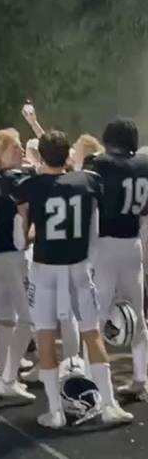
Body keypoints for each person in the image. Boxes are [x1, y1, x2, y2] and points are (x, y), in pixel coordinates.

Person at [14, 129, 133, 428]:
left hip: (45, 269)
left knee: (44, 334)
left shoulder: (31, 185)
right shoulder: (89, 181)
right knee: (91, 333)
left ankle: (54, 410)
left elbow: (21, 231)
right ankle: (109, 404)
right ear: (67, 154)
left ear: (40, 156)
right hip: (79, 268)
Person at [86, 118, 148, 400]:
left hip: (106, 243)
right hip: (133, 243)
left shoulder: (99, 164)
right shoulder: (144, 165)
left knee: (96, 315)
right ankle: (140, 379)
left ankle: (92, 379)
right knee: (138, 314)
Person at [0, 128, 35, 400]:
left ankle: (5, 373)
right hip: (13, 257)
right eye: (14, 147)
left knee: (5, 319)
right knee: (27, 318)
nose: (21, 151)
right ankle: (9, 374)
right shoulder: (18, 179)